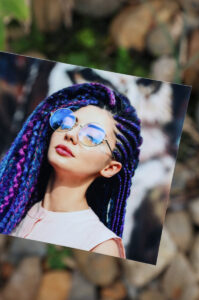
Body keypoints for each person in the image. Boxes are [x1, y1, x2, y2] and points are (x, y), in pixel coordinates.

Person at [0, 82, 142, 258]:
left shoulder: (99, 244)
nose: (70, 135)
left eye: (92, 136)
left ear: (110, 168)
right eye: (68, 122)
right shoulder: (12, 206)